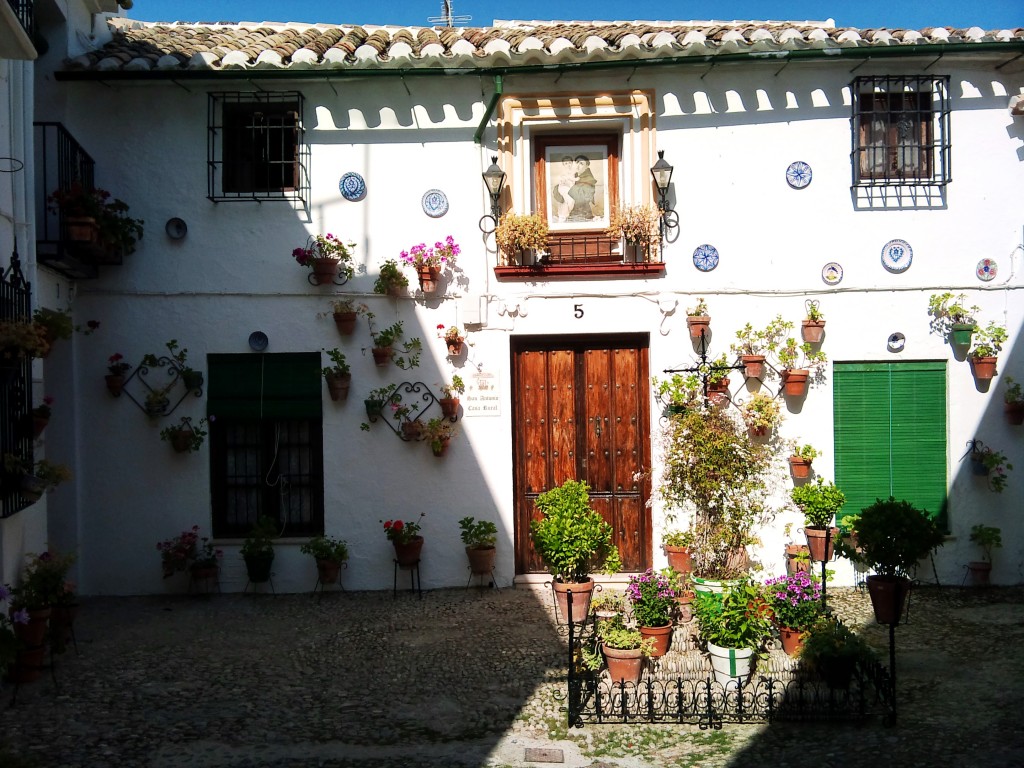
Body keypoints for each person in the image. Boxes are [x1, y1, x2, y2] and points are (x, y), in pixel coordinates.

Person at [567, 155, 597, 222]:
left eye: (581, 163)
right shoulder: (576, 177)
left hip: (583, 213)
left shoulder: (589, 180)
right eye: (577, 162)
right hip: (576, 211)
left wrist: (571, 185)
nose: (578, 165)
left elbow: (583, 199)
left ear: (587, 166)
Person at [551, 155, 575, 222]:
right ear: (563, 165)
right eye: (566, 163)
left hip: (571, 189)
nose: (568, 165)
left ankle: (565, 216)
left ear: (572, 163)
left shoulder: (573, 172)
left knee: (570, 201)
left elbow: (574, 181)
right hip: (563, 189)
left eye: (569, 163)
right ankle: (562, 216)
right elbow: (561, 181)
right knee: (566, 201)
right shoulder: (563, 173)